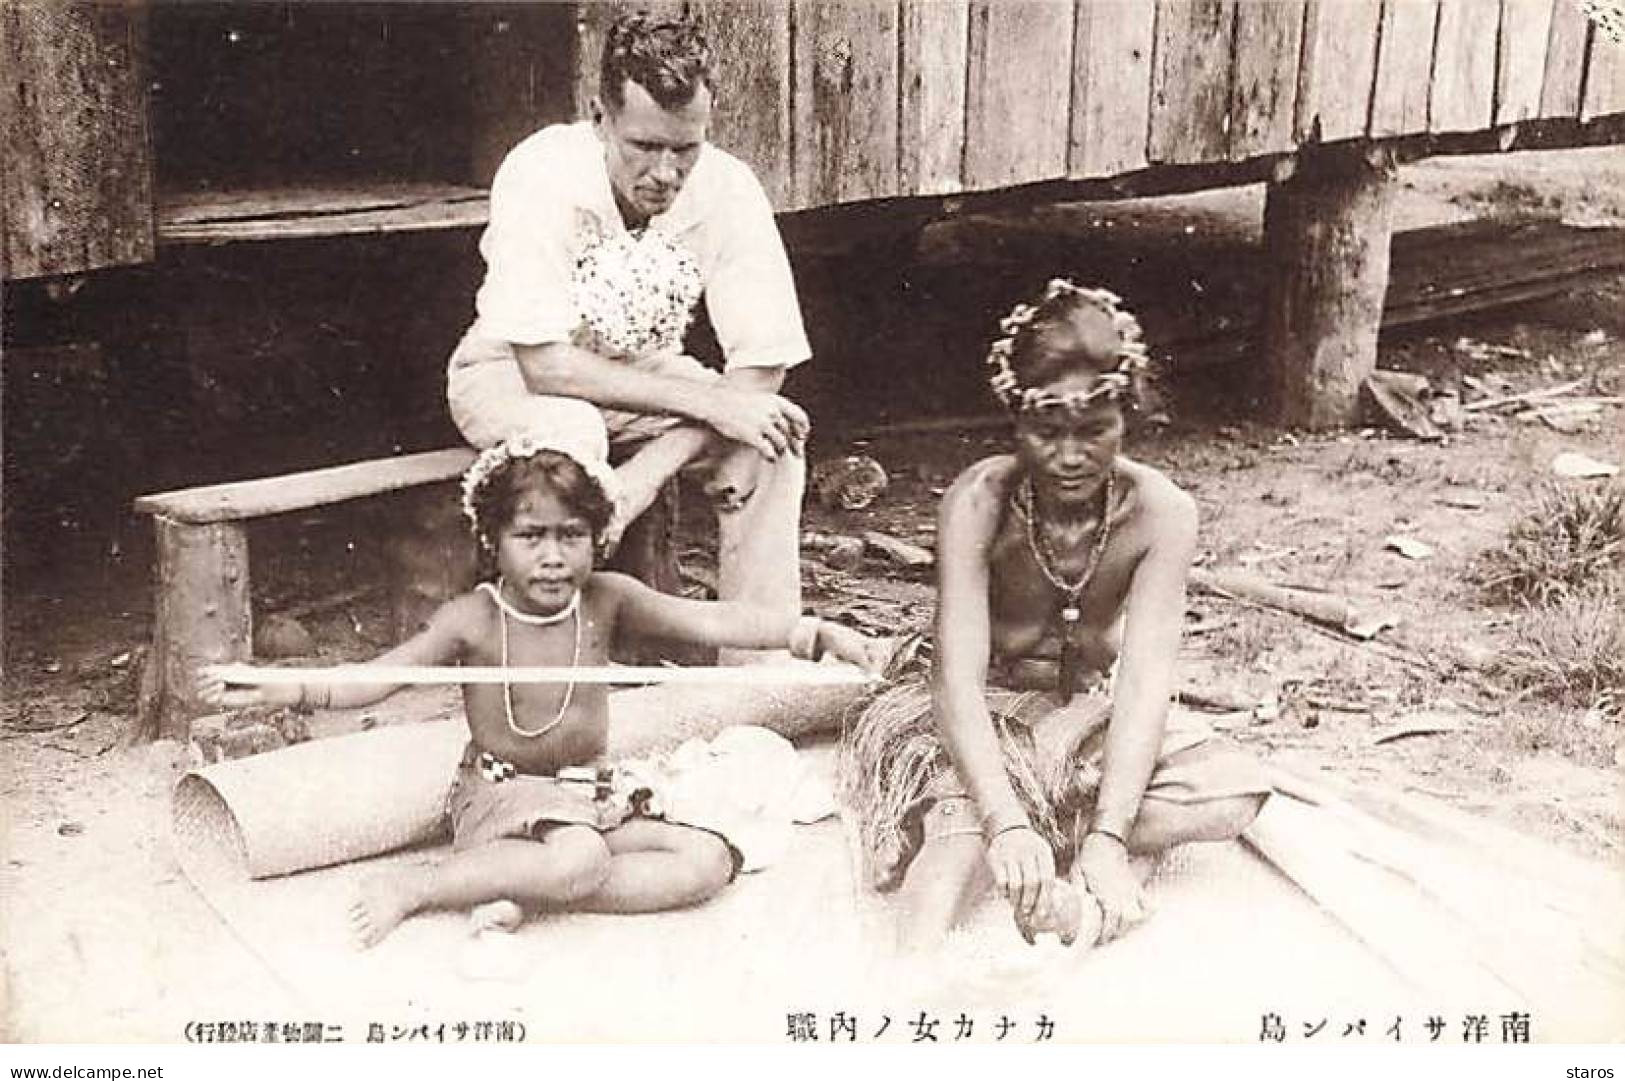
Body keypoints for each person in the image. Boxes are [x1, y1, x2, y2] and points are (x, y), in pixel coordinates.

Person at [199, 434, 885, 949]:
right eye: (530, 536)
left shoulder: (606, 597)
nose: (553, 555)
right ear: (493, 542)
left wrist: (812, 632)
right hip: (501, 795)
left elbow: (712, 618)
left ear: (597, 539)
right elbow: (382, 674)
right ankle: (424, 883)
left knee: (706, 861)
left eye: (572, 535)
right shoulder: (475, 614)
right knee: (581, 855)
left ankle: (522, 886)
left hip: (588, 792)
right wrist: (284, 686)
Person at [840, 280, 1272, 952]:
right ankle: (907, 994)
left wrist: (1108, 835)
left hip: (1079, 714)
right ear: (1014, 423)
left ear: (1126, 419)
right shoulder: (978, 501)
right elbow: (953, 681)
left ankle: (1053, 839)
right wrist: (1003, 818)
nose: (1069, 457)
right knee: (957, 852)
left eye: (1093, 431)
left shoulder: (1161, 512)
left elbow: (1143, 680)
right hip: (981, 707)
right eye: (1045, 432)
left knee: (1230, 794)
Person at [445, 12, 812, 659]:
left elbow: (760, 370)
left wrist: (646, 475)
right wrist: (709, 402)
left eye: (685, 149)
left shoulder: (728, 188)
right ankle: (549, 665)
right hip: (508, 373)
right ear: (600, 118)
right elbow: (546, 365)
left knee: (771, 440)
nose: (665, 173)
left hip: (645, 378)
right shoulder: (542, 171)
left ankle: (759, 670)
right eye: (644, 146)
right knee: (575, 437)